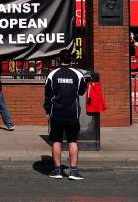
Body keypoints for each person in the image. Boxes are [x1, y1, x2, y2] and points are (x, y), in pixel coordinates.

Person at [44, 49, 87, 180]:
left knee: (56, 141)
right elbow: (81, 91)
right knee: (72, 141)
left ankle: (57, 171)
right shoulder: (78, 74)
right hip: (72, 114)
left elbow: (48, 95)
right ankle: (73, 172)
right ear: (71, 59)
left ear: (59, 59)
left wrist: (47, 110)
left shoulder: (52, 74)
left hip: (56, 113)